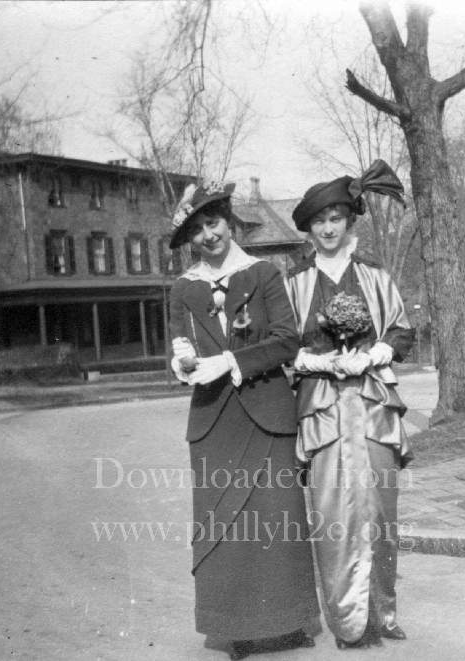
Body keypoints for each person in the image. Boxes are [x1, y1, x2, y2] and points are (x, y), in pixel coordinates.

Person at [167, 181, 319, 660]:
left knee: (278, 518)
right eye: (197, 229)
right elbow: (181, 343)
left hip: (266, 411)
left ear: (229, 222)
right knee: (226, 528)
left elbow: (286, 341)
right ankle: (234, 627)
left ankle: (288, 621)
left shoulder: (263, 274)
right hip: (214, 419)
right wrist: (182, 361)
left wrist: (232, 362)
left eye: (213, 223)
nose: (208, 235)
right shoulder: (183, 288)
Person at [285, 160, 415, 649]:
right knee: (331, 515)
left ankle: (383, 611)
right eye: (319, 221)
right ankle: (346, 621)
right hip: (322, 410)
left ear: (349, 221)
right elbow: (282, 346)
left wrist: (377, 352)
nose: (328, 229)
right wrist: (322, 364)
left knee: (381, 510)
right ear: (309, 228)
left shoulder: (374, 274)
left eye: (335, 218)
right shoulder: (295, 283)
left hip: (373, 405)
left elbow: (402, 329)